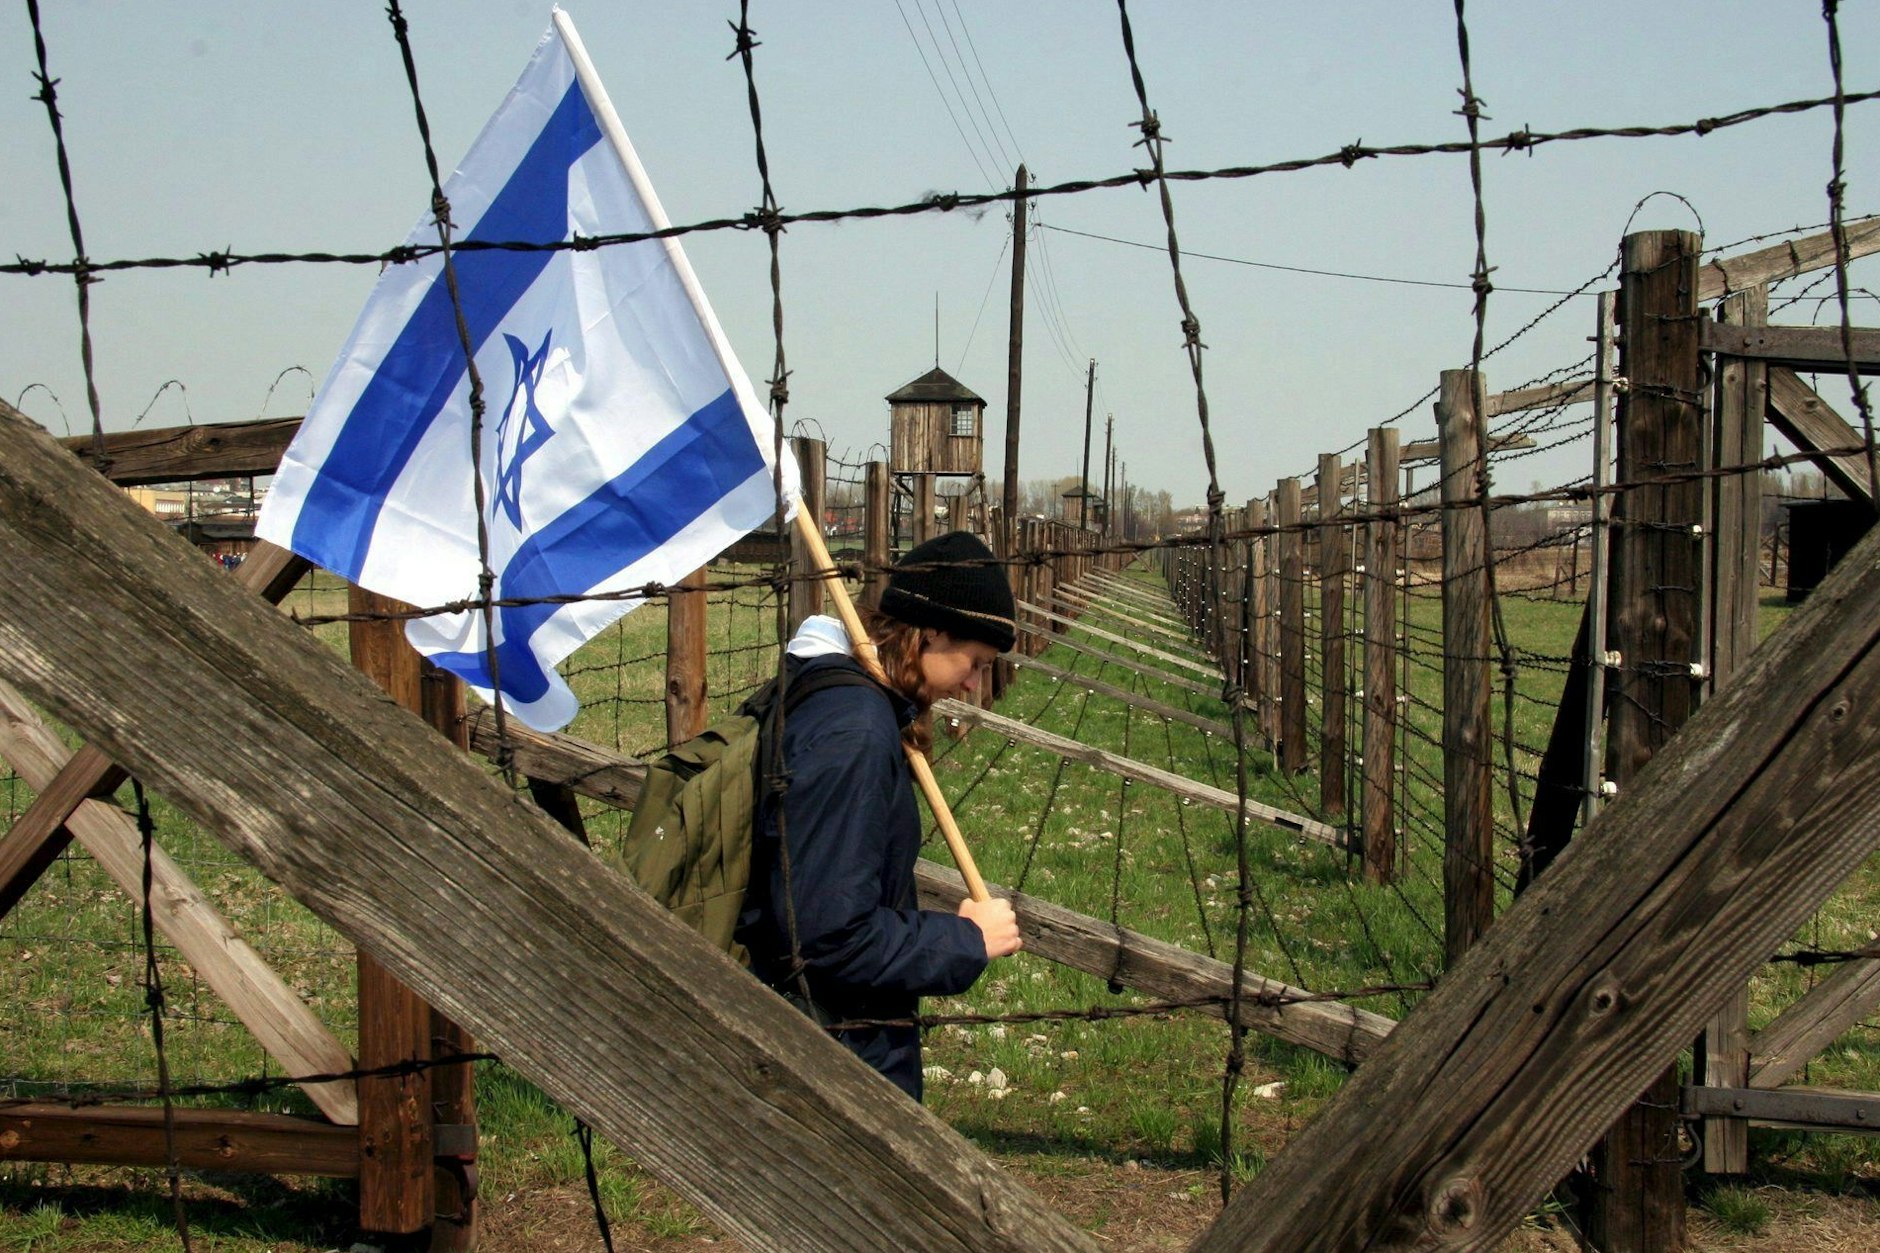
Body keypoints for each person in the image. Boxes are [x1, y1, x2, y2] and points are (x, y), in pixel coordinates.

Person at [737, 531, 1023, 1100]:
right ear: (931, 631)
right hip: (831, 1056)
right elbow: (827, 938)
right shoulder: (854, 731)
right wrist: (965, 940)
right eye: (975, 662)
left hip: (832, 1039)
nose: (973, 684)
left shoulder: (848, 702)